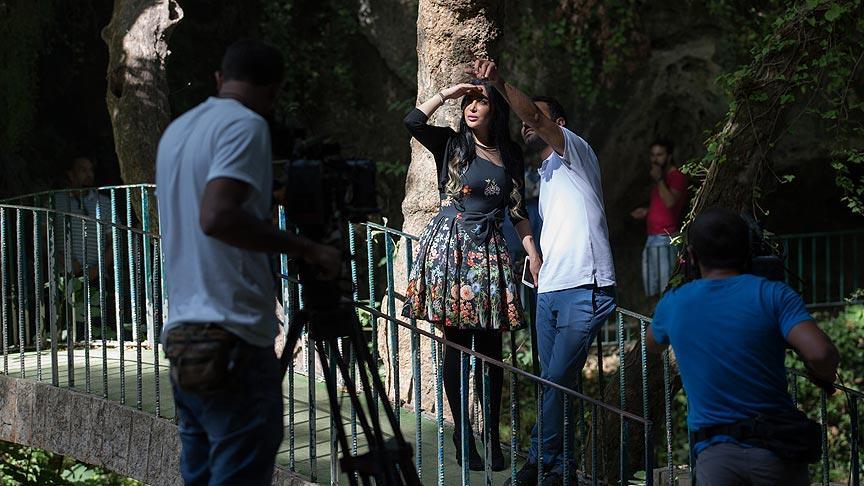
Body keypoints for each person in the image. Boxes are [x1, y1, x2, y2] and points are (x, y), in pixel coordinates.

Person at [155, 39, 340, 485]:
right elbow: (217, 216)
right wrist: (309, 249)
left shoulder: (177, 130)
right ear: (274, 90)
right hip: (232, 335)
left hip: (183, 335)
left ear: (220, 79)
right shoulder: (245, 125)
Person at [468, 60, 617, 486]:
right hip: (549, 287)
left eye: (536, 118)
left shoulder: (575, 152)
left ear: (559, 124)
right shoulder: (543, 174)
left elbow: (532, 115)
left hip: (585, 286)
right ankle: (561, 466)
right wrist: (535, 258)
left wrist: (498, 83)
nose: (525, 124)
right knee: (555, 382)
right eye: (523, 121)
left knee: (556, 379)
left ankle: (537, 462)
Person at [402, 79, 542, 472]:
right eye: (469, 101)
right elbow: (412, 121)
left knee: (492, 350)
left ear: (496, 110)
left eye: (481, 101)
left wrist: (533, 254)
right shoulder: (452, 145)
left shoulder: (510, 153)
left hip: (491, 251)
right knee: (458, 345)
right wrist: (447, 94)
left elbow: (518, 211)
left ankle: (491, 436)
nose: (472, 107)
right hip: (452, 250)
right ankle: (463, 434)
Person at [646, 208, 840, 486]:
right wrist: (823, 374)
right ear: (749, 250)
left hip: (715, 455)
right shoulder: (773, 294)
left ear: (691, 256)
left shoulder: (675, 303)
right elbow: (821, 353)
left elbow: (653, 343)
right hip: (776, 449)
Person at [630, 139, 687, 296]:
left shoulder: (676, 176)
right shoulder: (660, 179)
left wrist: (659, 179)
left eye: (660, 155)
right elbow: (663, 206)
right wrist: (647, 212)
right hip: (652, 237)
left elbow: (670, 201)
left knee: (666, 286)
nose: (655, 159)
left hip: (666, 238)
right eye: (652, 155)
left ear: (669, 156)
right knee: (652, 286)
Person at [53, 156, 111, 281]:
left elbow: (114, 241)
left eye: (91, 170)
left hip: (97, 278)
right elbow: (43, 239)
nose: (89, 174)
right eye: (83, 170)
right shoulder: (55, 201)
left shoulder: (104, 202)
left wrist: (98, 269)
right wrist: (66, 262)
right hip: (63, 277)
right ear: (71, 174)